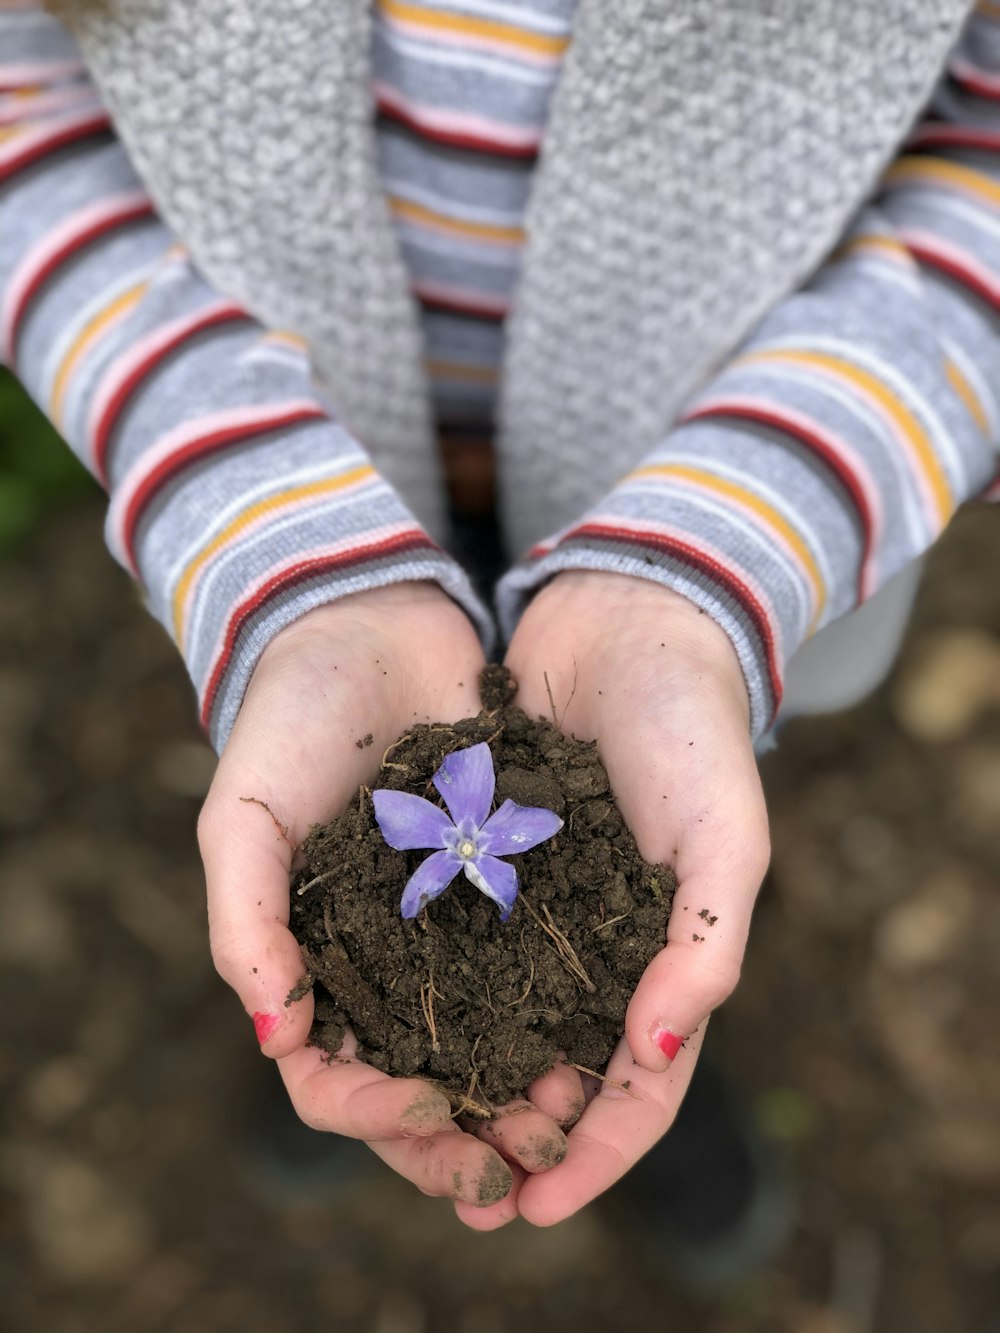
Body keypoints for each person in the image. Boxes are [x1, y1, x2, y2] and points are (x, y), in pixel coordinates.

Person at [1, 0, 997, 1235]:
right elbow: (19, 103)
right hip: (298, 487)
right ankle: (340, 1011)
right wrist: (271, 538)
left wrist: (722, 552)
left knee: (662, 839)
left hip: (742, 494)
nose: (472, 858)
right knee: (299, 850)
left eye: (472, 851)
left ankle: (643, 1028)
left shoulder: (529, 796)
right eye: (467, 852)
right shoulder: (436, 821)